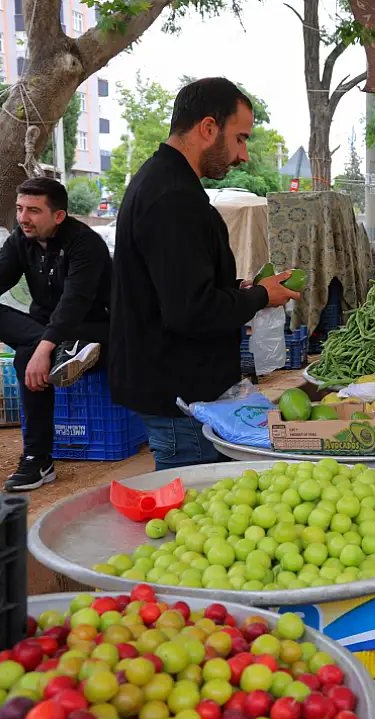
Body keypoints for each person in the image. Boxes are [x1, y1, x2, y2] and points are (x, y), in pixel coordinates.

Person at [110, 77, 299, 470]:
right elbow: (189, 310)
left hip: (175, 386)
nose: (243, 155)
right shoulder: (173, 197)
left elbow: (177, 285)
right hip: (181, 395)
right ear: (209, 128)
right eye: (240, 138)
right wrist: (261, 297)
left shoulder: (165, 181)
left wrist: (239, 290)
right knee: (192, 509)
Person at [0, 178, 109, 491]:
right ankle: (59, 352)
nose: (23, 217)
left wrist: (41, 350)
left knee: (29, 356)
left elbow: (74, 303)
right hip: (52, 332)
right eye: (20, 209)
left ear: (58, 216)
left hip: (93, 330)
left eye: (33, 211)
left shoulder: (85, 244)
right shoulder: (20, 240)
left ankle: (38, 459)